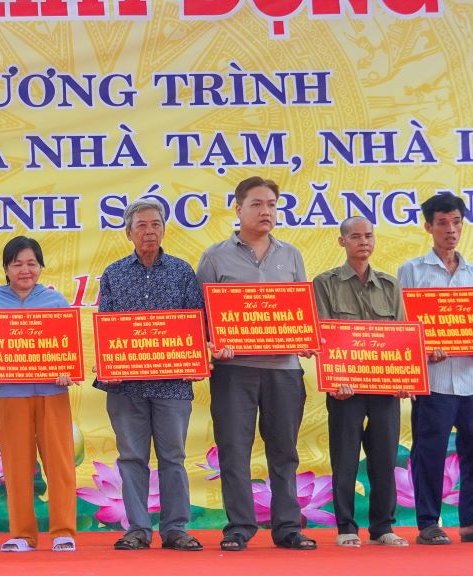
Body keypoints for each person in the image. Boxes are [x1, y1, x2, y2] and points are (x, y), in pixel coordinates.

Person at [196, 176, 317, 551]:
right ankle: (239, 527)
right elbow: (200, 317)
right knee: (234, 450)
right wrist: (212, 344)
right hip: (234, 371)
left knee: (285, 452)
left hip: (284, 370)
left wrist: (306, 338)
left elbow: (302, 311)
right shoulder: (215, 257)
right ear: (238, 209)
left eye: (271, 205)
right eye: (257, 204)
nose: (266, 211)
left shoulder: (291, 255)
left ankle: (288, 527)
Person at [93, 199, 204, 552]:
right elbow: (107, 326)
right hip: (126, 386)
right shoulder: (113, 274)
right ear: (128, 233)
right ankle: (138, 529)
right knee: (131, 459)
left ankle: (175, 529)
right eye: (141, 225)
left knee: (173, 458)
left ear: (164, 230)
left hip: (173, 385)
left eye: (155, 224)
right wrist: (108, 365)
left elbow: (197, 323)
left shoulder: (182, 272)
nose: (149, 231)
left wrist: (195, 360)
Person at [0, 236, 78, 553]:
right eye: (17, 263)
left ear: (41, 267)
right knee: (16, 466)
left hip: (52, 393)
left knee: (60, 463)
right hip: (10, 395)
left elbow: (68, 350)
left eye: (31, 263)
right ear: (6, 268)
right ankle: (22, 534)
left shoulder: (55, 302)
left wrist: (67, 370)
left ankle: (63, 532)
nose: (25, 270)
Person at [313, 217, 408, 547]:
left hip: (385, 388)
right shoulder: (325, 283)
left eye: (368, 236)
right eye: (355, 236)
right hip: (346, 389)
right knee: (345, 458)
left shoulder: (390, 285)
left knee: (385, 459)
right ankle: (346, 527)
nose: (363, 241)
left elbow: (402, 337)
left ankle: (383, 527)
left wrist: (404, 377)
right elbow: (324, 335)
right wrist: (335, 380)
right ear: (342, 242)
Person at [397, 192, 473, 546]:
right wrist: (424, 348)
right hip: (434, 381)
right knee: (429, 455)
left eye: (456, 222)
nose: (450, 229)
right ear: (428, 227)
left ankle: (470, 523)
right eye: (442, 223)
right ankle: (428, 523)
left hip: (470, 380)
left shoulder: (472, 273)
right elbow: (401, 327)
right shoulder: (411, 271)